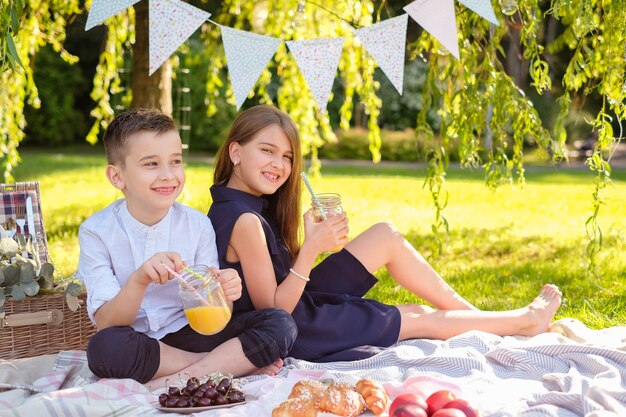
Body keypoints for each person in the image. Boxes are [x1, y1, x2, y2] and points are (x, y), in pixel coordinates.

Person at [207, 105, 563, 362]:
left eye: (287, 156)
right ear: (236, 151)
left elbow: (276, 277)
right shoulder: (244, 220)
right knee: (416, 316)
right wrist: (313, 247)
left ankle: (485, 321)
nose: (279, 165)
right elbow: (275, 311)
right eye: (267, 151)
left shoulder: (245, 204)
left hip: (299, 300)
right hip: (298, 328)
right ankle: (523, 321)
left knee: (384, 235)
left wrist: (311, 241)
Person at [77, 108, 297, 389]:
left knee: (281, 324)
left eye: (175, 161)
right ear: (117, 177)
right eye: (151, 164)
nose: (168, 175)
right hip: (140, 342)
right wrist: (139, 279)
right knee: (103, 348)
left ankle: (177, 380)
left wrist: (224, 293)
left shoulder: (197, 225)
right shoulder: (96, 231)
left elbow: (214, 316)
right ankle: (220, 365)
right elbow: (107, 321)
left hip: (190, 332)